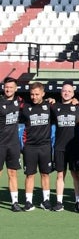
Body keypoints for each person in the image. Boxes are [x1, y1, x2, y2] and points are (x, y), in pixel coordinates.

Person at [20, 82, 53, 211]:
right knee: (30, 174)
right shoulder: (25, 107)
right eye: (32, 94)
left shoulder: (49, 106)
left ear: (43, 94)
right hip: (30, 147)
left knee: (45, 174)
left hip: (45, 146)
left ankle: (46, 200)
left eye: (37, 94)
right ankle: (28, 201)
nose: (34, 97)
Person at [51, 82, 79, 212]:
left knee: (76, 174)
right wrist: (49, 100)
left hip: (74, 147)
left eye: (69, 91)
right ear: (60, 92)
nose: (66, 93)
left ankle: (78, 202)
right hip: (59, 147)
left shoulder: (78, 106)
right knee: (60, 175)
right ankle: (59, 202)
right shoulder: (54, 107)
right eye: (64, 91)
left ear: (73, 93)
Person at [0, 77, 23, 212]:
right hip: (0, 143)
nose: (8, 89)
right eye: (6, 87)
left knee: (12, 172)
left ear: (16, 88)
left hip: (13, 144)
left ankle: (14, 202)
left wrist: (51, 100)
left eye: (11, 87)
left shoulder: (19, 101)